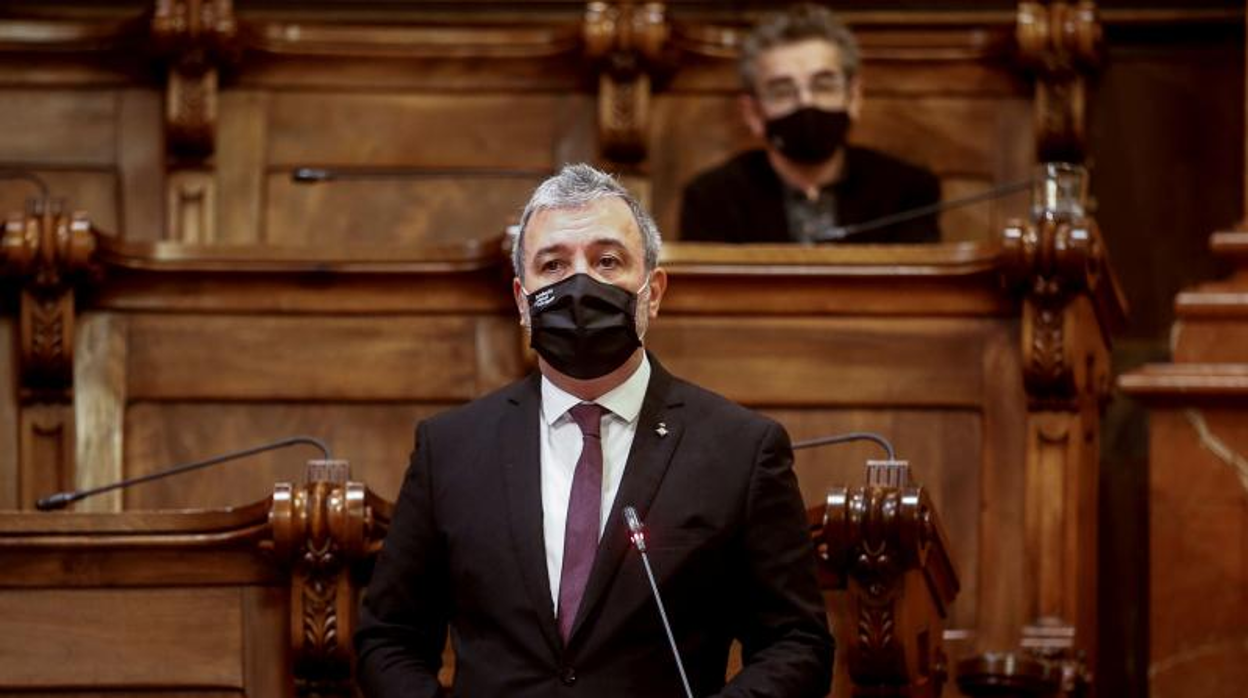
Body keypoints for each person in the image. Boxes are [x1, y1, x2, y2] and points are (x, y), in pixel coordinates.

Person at [355, 164, 833, 697]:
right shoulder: (450, 448)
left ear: (652, 292)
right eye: (553, 264)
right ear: (521, 301)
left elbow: (797, 643)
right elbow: (388, 638)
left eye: (607, 262)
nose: (579, 284)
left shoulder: (740, 449)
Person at [680, 3, 941, 244]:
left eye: (824, 86)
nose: (806, 102)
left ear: (853, 97)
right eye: (782, 90)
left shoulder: (906, 193)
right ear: (753, 113)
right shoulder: (713, 199)